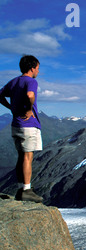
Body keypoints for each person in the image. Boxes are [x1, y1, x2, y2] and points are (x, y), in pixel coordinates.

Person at [0, 55, 44, 203]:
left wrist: (11, 107)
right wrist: (29, 108)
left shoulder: (13, 82)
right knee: (27, 157)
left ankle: (21, 189)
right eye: (37, 68)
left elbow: (0, 94)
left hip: (16, 125)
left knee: (21, 156)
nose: (38, 71)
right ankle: (26, 190)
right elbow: (30, 94)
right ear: (32, 68)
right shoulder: (31, 81)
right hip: (28, 125)